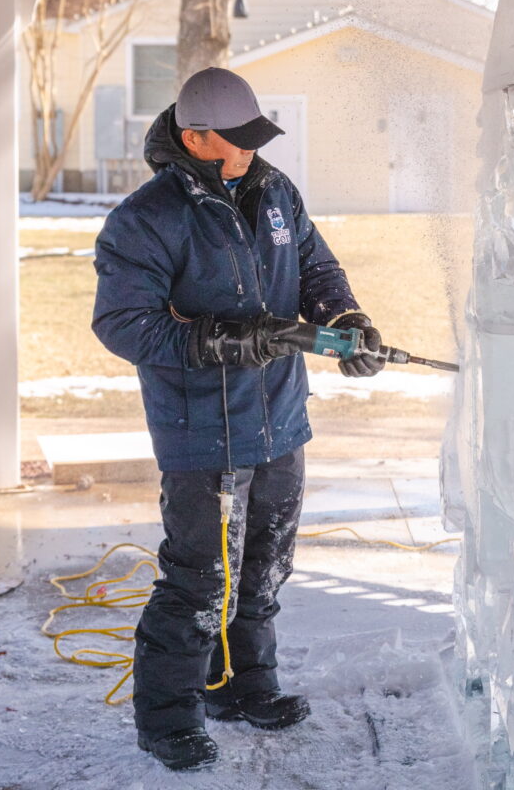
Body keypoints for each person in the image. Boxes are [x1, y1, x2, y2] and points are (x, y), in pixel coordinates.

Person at [92, 67, 384, 771]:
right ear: (195, 139)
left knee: (265, 567)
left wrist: (345, 318)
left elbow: (315, 269)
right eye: (237, 141)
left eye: (256, 138)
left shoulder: (274, 192)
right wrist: (220, 338)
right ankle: (169, 718)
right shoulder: (146, 218)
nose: (251, 152)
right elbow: (121, 324)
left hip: (279, 417)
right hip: (202, 429)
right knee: (198, 578)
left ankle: (242, 685)